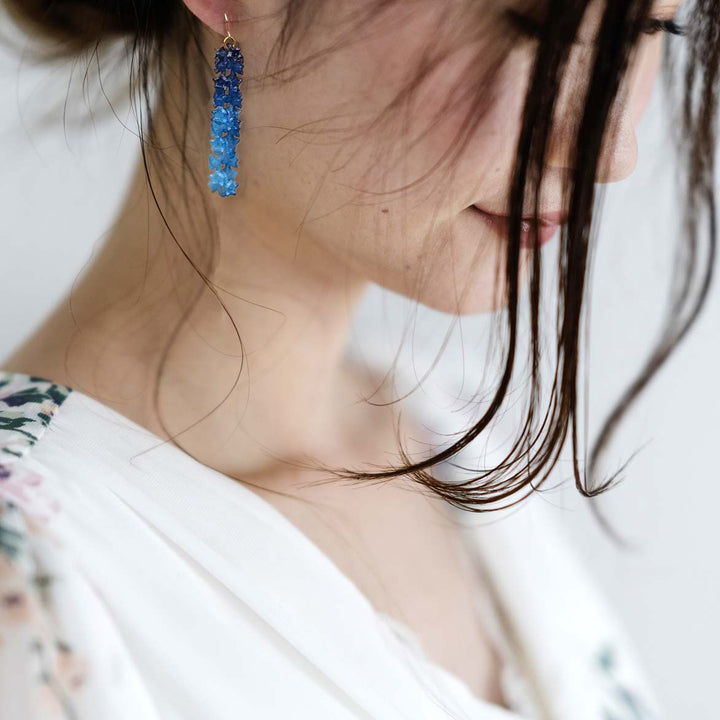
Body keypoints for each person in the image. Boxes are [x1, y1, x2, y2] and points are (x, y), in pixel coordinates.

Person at [0, 0, 715, 718]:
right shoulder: (31, 577)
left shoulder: (456, 437)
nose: (612, 150)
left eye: (651, 30)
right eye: (535, 26)